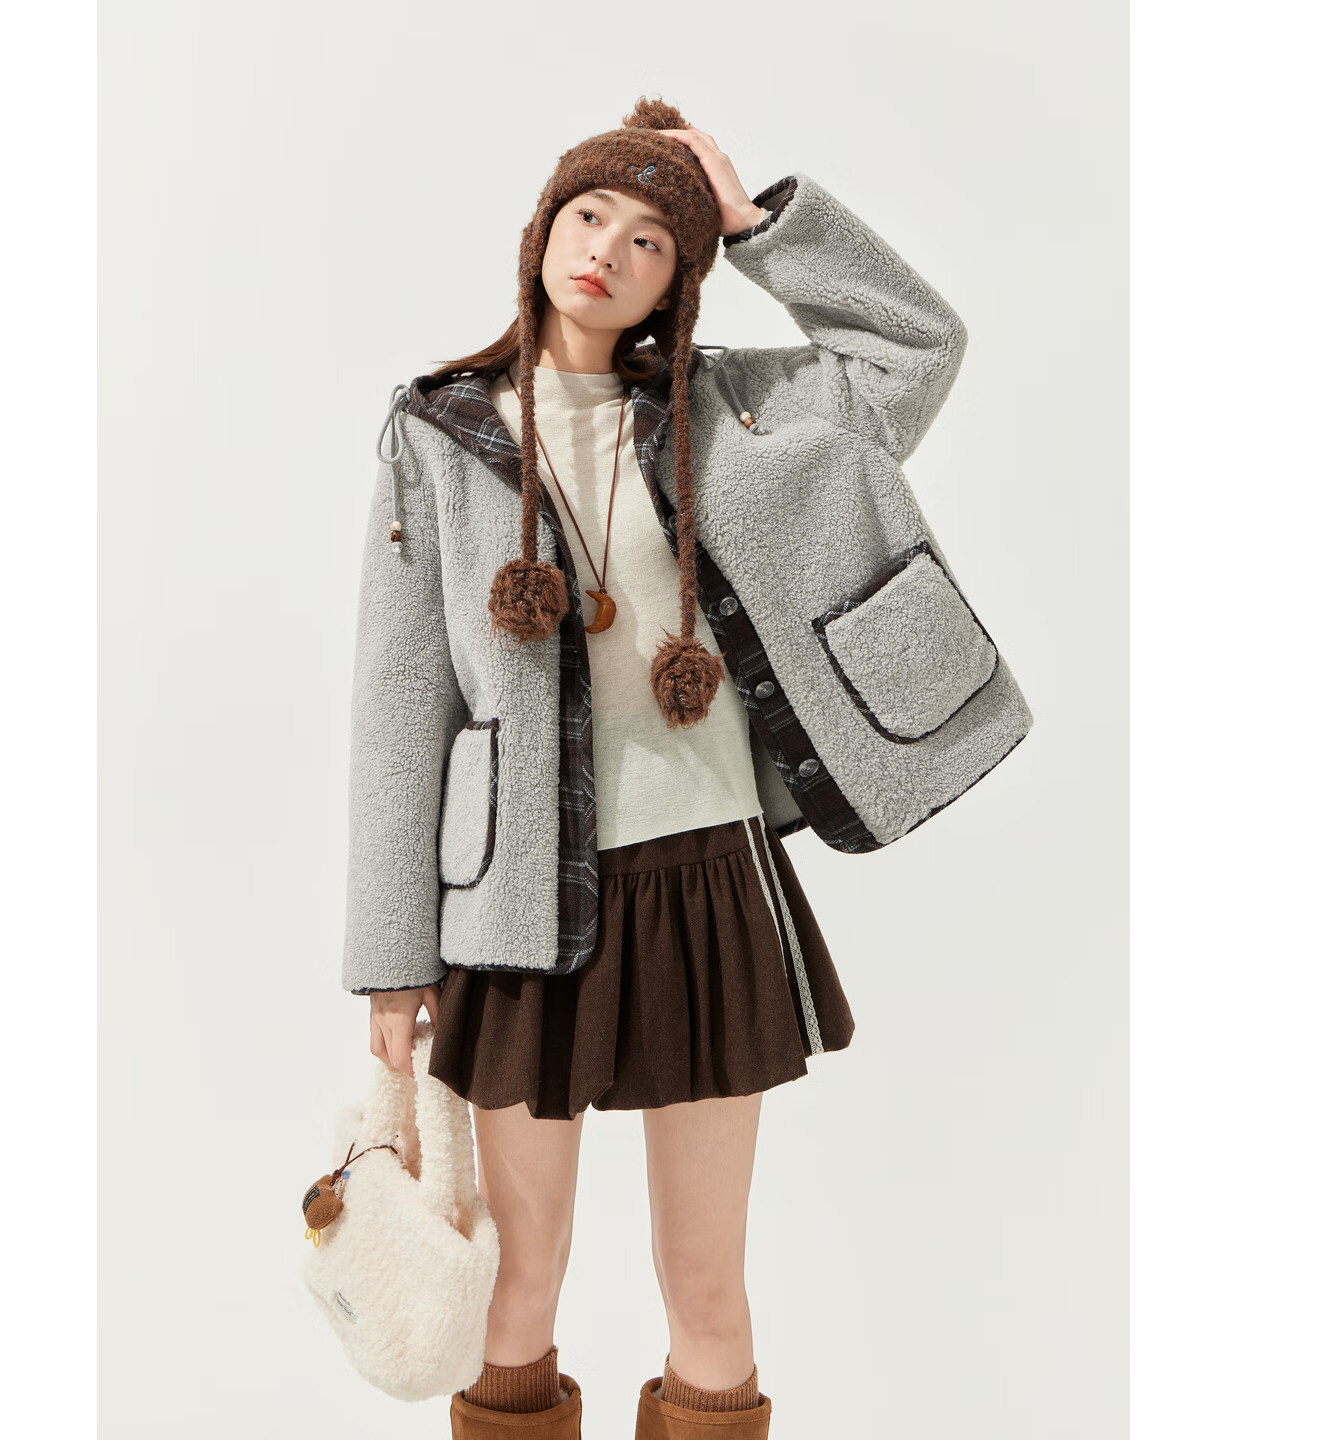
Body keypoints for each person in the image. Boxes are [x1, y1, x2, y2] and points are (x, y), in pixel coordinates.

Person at [344, 97, 1014, 1439]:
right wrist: (392, 958)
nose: (608, 249)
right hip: (519, 900)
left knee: (706, 1283)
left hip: (706, 882)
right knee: (515, 1287)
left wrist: (762, 226)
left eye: (652, 238)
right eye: (589, 215)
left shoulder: (736, 407)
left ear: (677, 283)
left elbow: (917, 346)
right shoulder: (438, 432)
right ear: (543, 229)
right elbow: (401, 699)